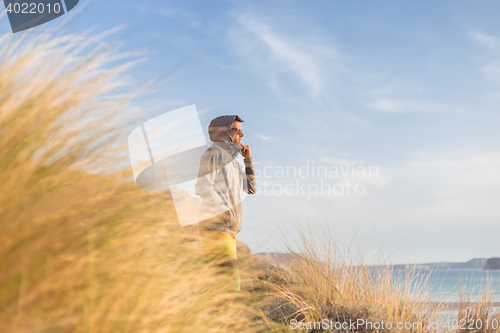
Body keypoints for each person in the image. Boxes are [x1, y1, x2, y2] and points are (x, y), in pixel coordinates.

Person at [195, 115, 256, 292]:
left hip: (227, 231)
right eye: (239, 131)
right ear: (225, 133)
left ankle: (209, 318)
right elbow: (203, 187)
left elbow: (251, 188)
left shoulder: (234, 163)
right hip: (216, 230)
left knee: (221, 286)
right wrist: (225, 214)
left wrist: (248, 161)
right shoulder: (213, 154)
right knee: (229, 286)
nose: (242, 135)